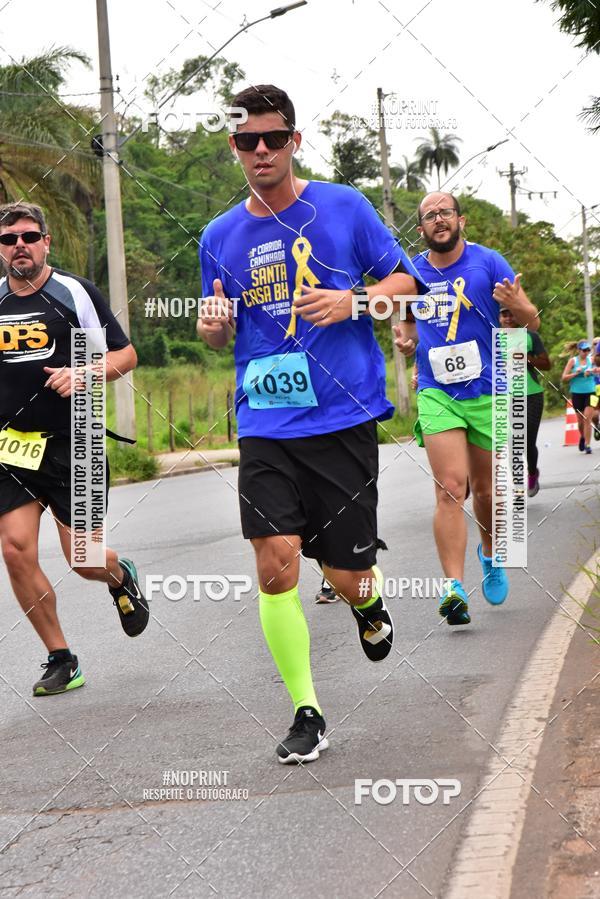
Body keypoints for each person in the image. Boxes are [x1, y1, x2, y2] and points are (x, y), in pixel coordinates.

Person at [197, 84, 427, 764]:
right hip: (265, 420)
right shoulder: (218, 236)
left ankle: (366, 603)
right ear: (235, 147)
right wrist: (212, 329)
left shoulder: (344, 206)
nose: (261, 151)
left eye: (273, 138)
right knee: (274, 562)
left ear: (295, 141)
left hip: (341, 413)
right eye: (247, 141)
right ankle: (307, 709)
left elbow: (404, 285)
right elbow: (217, 334)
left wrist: (353, 301)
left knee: (346, 571)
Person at [0, 202, 149, 696]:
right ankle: (61, 657)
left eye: (28, 236)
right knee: (14, 548)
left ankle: (119, 575)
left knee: (83, 558)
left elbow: (125, 355)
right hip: (12, 448)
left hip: (76, 440)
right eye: (8, 239)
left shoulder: (74, 294)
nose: (19, 245)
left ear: (46, 242)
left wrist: (83, 373)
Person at [394, 192, 539, 626]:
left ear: (461, 221)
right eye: (429, 216)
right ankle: (453, 587)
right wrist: (405, 339)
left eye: (445, 213)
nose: (439, 220)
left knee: (489, 492)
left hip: (490, 389)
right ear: (420, 229)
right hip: (437, 390)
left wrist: (518, 307)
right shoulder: (411, 273)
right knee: (449, 488)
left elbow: (531, 319)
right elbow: (404, 325)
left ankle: (491, 555)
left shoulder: (490, 262)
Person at [498, 307, 551, 496]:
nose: (509, 318)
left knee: (526, 440)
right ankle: (518, 480)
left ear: (518, 316)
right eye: (504, 314)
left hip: (532, 394)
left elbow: (547, 364)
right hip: (505, 396)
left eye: (512, 314)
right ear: (499, 317)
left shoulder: (530, 336)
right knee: (513, 440)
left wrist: (528, 359)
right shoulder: (493, 339)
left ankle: (532, 472)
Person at [561, 340, 599, 454]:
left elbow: (598, 369)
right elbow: (564, 377)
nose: (586, 352)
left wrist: (592, 370)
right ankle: (582, 437)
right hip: (577, 393)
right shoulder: (573, 361)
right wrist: (575, 373)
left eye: (588, 350)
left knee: (587, 418)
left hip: (591, 392)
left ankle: (587, 444)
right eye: (584, 350)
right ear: (579, 350)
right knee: (581, 421)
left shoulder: (592, 360)